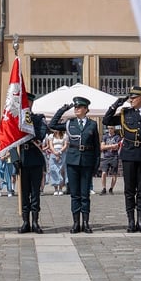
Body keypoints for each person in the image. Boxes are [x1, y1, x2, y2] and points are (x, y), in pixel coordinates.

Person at [103, 86, 141, 233]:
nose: (131, 100)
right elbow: (106, 120)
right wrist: (116, 104)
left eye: (134, 98)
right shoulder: (125, 113)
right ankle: (131, 221)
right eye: (130, 98)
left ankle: (140, 221)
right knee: (129, 191)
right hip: (128, 155)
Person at [49, 96, 100, 234]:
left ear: (85, 109)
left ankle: (86, 223)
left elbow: (96, 146)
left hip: (87, 161)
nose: (76, 109)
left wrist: (96, 164)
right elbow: (52, 125)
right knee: (75, 194)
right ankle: (76, 223)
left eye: (79, 107)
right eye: (75, 107)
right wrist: (63, 110)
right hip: (73, 161)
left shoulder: (92, 124)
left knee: (85, 194)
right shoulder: (69, 123)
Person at [16, 93, 48, 233]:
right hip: (21, 159)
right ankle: (25, 222)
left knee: (35, 193)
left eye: (28, 102)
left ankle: (35, 221)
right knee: (24, 193)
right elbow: (11, 141)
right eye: (24, 102)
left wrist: (28, 121)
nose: (26, 105)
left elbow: (41, 135)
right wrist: (15, 158)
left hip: (35, 159)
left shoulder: (38, 118)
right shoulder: (16, 120)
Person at [99, 125, 121, 195]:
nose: (110, 130)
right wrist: (111, 146)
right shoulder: (105, 136)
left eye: (111, 128)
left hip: (114, 157)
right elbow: (102, 147)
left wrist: (107, 147)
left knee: (114, 174)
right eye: (108, 128)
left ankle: (111, 188)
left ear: (114, 129)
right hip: (106, 157)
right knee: (104, 173)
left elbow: (117, 147)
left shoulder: (117, 137)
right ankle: (104, 188)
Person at [46, 129, 66, 195]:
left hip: (62, 152)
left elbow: (65, 145)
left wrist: (59, 152)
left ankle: (60, 188)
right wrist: (55, 152)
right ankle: (55, 188)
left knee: (61, 170)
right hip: (53, 153)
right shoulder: (51, 136)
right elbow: (51, 145)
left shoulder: (64, 135)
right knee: (53, 170)